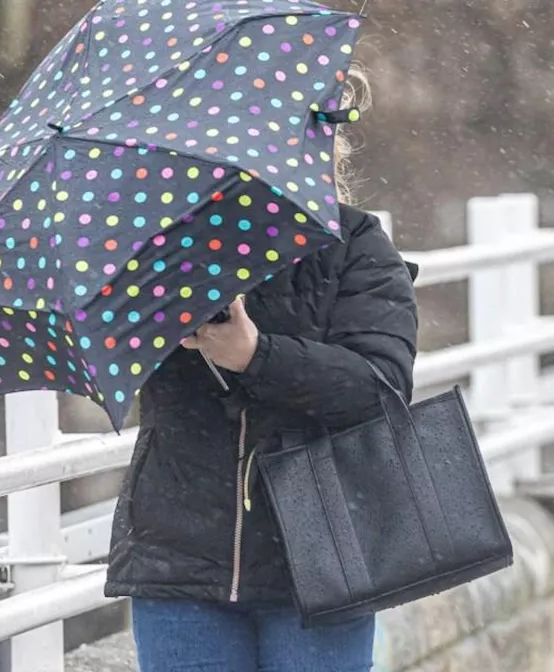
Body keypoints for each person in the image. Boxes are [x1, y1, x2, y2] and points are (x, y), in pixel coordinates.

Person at [104, 66, 419, 671]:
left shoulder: (356, 247)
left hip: (323, 556)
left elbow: (379, 391)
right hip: (180, 559)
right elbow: (114, 360)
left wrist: (255, 354)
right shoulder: (157, 246)